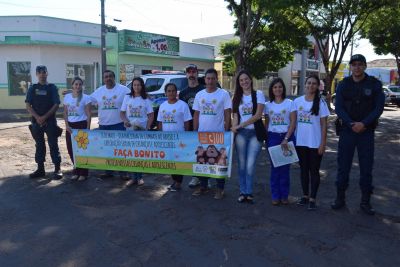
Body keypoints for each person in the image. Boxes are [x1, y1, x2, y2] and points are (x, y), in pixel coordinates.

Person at [331, 54, 385, 215]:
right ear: (350, 67)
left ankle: (365, 202)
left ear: (365, 66)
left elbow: (378, 108)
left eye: (360, 64)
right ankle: (340, 198)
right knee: (343, 167)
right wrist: (350, 123)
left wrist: (364, 123)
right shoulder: (343, 84)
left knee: (366, 168)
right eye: (354, 64)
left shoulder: (374, 84)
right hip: (348, 131)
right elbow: (338, 107)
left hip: (366, 132)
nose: (356, 67)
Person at [192, 68, 232, 199]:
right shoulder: (199, 95)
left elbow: (227, 114)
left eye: (213, 78)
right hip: (202, 134)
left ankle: (220, 189)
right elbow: (196, 115)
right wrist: (194, 131)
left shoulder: (224, 94)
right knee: (202, 161)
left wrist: (227, 131)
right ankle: (203, 186)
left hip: (219, 134)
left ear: (216, 79)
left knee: (219, 162)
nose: (210, 81)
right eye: (208, 78)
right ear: (204, 80)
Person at [293, 75, 329, 210]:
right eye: (309, 83)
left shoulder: (321, 103)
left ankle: (313, 198)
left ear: (317, 86)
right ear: (305, 84)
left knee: (314, 171)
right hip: (300, 142)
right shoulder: (297, 101)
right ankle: (305, 195)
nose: (311, 86)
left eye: (314, 83)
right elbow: (292, 122)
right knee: (303, 170)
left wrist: (323, 144)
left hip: (315, 143)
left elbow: (324, 125)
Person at [231, 70, 265, 204]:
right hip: (241, 135)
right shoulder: (237, 97)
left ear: (250, 80)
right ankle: (243, 192)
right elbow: (235, 117)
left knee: (250, 165)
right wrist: (234, 130)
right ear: (238, 83)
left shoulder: (259, 95)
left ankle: (249, 192)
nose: (244, 82)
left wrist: (241, 125)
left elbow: (258, 116)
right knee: (242, 165)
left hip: (255, 134)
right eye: (241, 80)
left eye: (246, 79)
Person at [90, 70, 130, 179]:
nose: (108, 78)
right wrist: (73, 93)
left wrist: (146, 96)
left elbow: (135, 96)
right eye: (106, 77)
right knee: (107, 149)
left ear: (114, 77)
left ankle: (123, 172)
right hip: (104, 125)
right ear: (103, 79)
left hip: (119, 124)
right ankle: (109, 171)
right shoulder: (99, 91)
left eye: (110, 76)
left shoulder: (124, 90)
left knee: (121, 149)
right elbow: (87, 101)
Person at [25, 65, 63, 180]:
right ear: (36, 74)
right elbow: (28, 105)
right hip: (36, 122)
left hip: (50, 122)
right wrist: (37, 117)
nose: (42, 74)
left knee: (53, 144)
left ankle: (57, 169)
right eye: (39, 72)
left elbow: (56, 104)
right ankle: (40, 169)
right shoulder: (32, 88)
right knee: (39, 145)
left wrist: (44, 117)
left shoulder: (52, 88)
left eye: (44, 72)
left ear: (47, 73)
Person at [264, 78, 296, 206]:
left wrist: (286, 138)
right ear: (272, 89)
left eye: (280, 87)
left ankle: (284, 195)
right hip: (273, 137)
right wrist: (267, 139)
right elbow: (267, 124)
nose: (278, 89)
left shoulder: (290, 103)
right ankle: (275, 196)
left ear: (283, 88)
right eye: (275, 87)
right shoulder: (268, 105)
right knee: (275, 168)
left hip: (287, 136)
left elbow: (293, 122)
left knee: (285, 169)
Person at [157, 83, 192, 191]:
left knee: (179, 160)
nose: (171, 93)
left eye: (173, 91)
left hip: (179, 139)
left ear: (176, 92)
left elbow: (187, 122)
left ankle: (178, 182)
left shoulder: (183, 105)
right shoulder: (162, 106)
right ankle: (174, 180)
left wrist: (186, 136)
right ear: (165, 93)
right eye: (169, 91)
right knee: (170, 160)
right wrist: (160, 135)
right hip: (167, 139)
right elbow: (160, 122)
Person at [120, 77, 154, 187]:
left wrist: (147, 128)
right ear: (132, 86)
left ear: (142, 86)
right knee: (131, 154)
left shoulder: (146, 99)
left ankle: (140, 177)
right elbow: (122, 113)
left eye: (138, 85)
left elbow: (151, 116)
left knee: (140, 154)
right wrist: (125, 121)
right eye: (134, 85)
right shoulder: (127, 97)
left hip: (142, 130)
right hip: (130, 130)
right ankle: (133, 177)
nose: (136, 87)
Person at [179, 64, 206, 188]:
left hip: (204, 125)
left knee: (206, 152)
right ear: (186, 74)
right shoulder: (183, 92)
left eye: (193, 72)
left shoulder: (204, 89)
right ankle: (195, 177)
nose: (191, 74)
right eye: (189, 72)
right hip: (189, 127)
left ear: (197, 73)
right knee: (193, 153)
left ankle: (208, 178)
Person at [63, 77, 92, 181]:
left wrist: (87, 128)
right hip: (70, 126)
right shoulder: (67, 97)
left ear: (82, 86)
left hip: (81, 125)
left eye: (80, 84)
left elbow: (89, 114)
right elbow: (65, 113)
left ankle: (84, 173)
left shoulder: (86, 98)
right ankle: (76, 170)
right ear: (72, 85)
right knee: (71, 149)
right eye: (76, 84)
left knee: (82, 150)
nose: (78, 86)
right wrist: (66, 125)